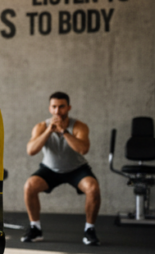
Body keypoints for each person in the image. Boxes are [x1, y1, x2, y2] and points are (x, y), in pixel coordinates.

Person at [22, 91, 102, 246]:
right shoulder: (41, 126)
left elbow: (83, 149)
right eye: (54, 107)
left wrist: (64, 132)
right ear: (50, 108)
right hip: (50, 169)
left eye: (61, 107)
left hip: (76, 169)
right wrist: (49, 131)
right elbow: (31, 151)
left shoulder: (79, 126)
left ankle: (89, 230)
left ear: (69, 107)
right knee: (29, 186)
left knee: (93, 188)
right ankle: (35, 229)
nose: (58, 111)